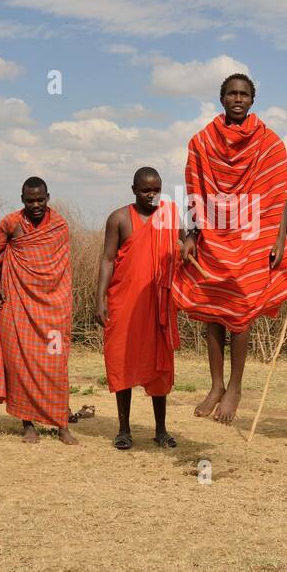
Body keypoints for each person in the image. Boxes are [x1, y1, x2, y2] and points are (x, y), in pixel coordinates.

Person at [173, 73, 287, 424]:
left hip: (253, 235)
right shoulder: (201, 141)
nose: (237, 99)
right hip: (213, 233)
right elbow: (195, 192)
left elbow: (278, 196)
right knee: (213, 310)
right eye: (231, 94)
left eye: (243, 94)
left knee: (240, 311)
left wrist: (277, 238)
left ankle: (236, 387)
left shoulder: (270, 143)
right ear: (222, 98)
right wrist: (193, 235)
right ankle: (216, 385)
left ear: (252, 100)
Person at [0, 177, 79, 445]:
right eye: (29, 200)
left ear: (48, 197)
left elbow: (62, 269)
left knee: (56, 365)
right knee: (20, 365)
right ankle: (28, 424)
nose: (35, 205)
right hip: (17, 305)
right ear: (22, 199)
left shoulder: (59, 226)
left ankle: (61, 424)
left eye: (40, 200)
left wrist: (59, 301)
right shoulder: (10, 223)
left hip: (53, 307)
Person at [96, 167, 180, 450]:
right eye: (146, 190)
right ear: (133, 189)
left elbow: (186, 241)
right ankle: (123, 429)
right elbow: (107, 259)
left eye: (157, 189)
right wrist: (100, 299)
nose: (152, 195)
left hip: (159, 304)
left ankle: (161, 429)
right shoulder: (119, 218)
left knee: (160, 366)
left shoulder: (169, 215)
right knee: (122, 360)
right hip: (125, 303)